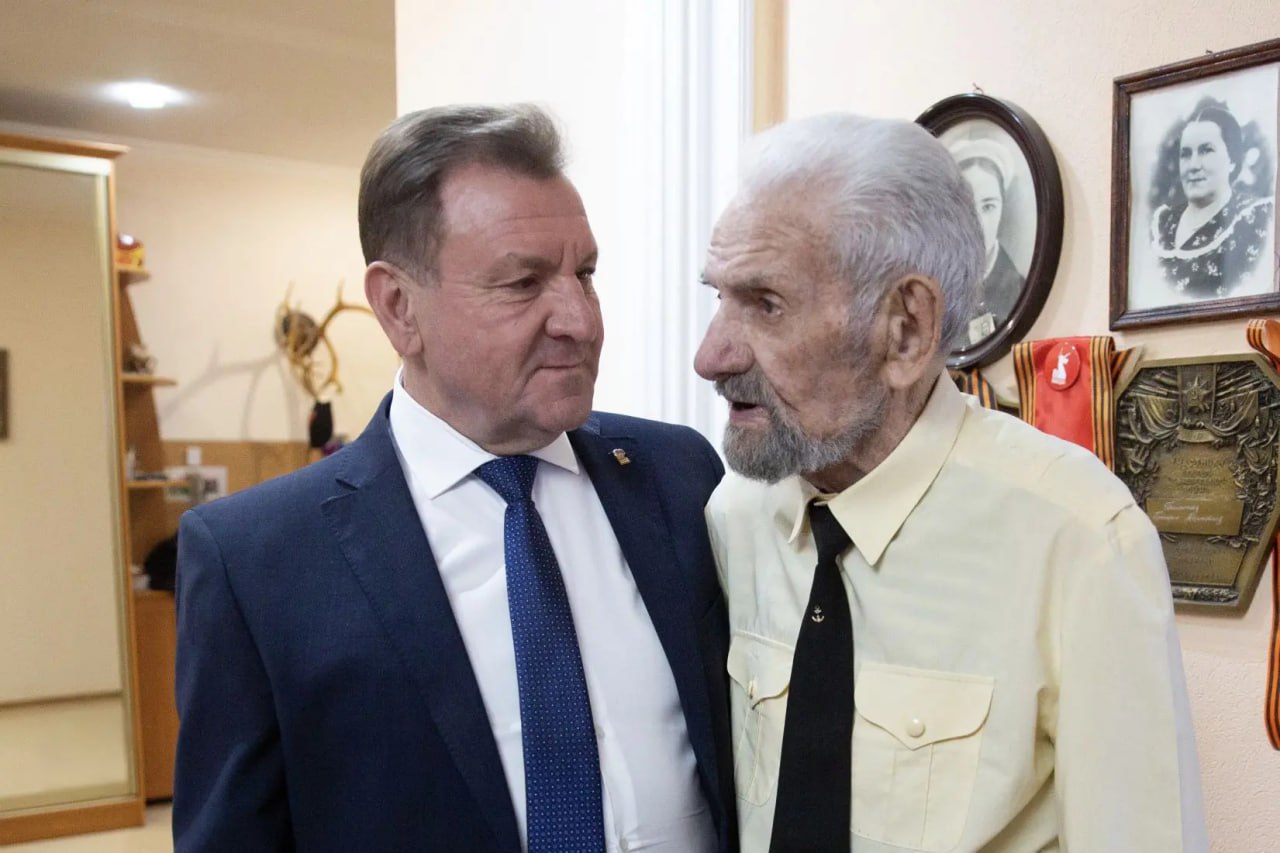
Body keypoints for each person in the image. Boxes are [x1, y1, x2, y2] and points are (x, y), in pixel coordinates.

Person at [173, 103, 736, 853]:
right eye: (523, 282)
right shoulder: (256, 559)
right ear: (399, 308)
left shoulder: (678, 474)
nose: (580, 319)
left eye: (585, 274)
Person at [695, 112, 1206, 852]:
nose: (710, 356)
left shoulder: (1079, 538)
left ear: (906, 329)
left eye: (766, 304)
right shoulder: (734, 516)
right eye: (718, 297)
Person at [1151, 98, 1274, 299]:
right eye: (1185, 154)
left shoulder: (1256, 218)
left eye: (1206, 150)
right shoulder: (1162, 223)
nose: (1193, 165)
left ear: (1232, 160)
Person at [950, 138, 1024, 337]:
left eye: (988, 206)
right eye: (968, 207)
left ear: (1002, 208)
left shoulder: (1019, 291)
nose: (979, 224)